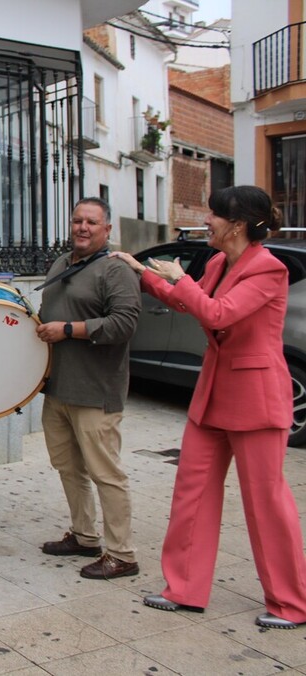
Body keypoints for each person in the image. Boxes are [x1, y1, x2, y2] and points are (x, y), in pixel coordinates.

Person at [111, 186, 306, 629]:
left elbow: (218, 314)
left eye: (214, 216)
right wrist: (145, 272)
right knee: (192, 493)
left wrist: (179, 279)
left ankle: (291, 604)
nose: (207, 222)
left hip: (256, 399)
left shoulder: (269, 270)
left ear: (237, 225)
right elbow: (191, 303)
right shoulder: (218, 261)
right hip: (213, 393)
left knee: (266, 503)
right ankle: (183, 589)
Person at [36, 197, 141, 580]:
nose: (82, 227)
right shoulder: (62, 264)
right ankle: (84, 536)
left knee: (106, 473)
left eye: (91, 222)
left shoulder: (116, 270)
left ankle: (123, 554)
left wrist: (68, 330)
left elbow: (124, 324)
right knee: (68, 467)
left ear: (107, 230)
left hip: (97, 391)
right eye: (77, 220)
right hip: (59, 388)